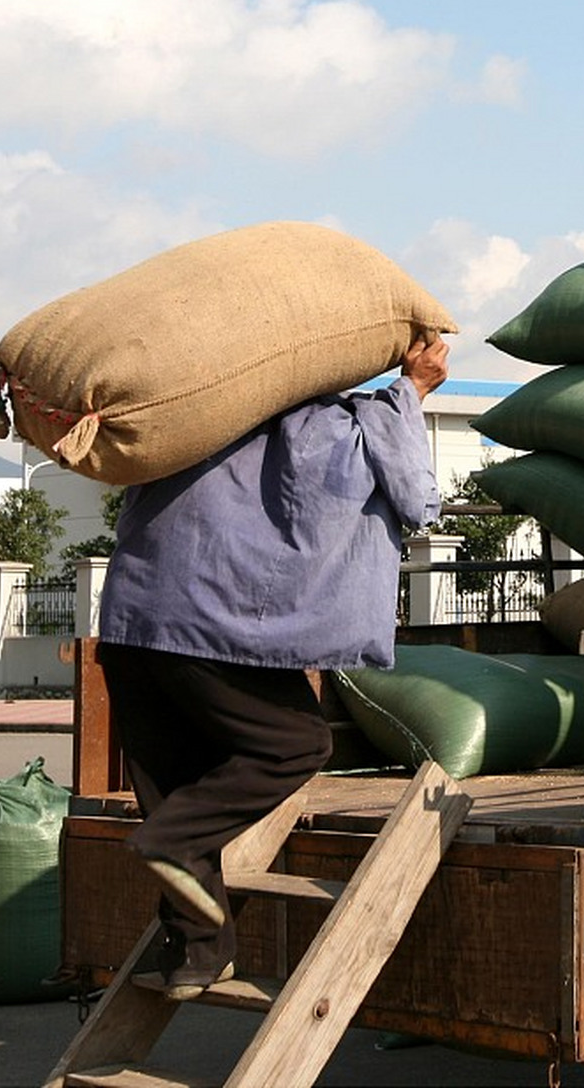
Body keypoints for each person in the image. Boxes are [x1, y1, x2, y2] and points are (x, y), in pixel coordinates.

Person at [96, 332, 449, 999]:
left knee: (175, 780)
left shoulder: (181, 416)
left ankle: (196, 956)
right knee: (296, 744)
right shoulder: (343, 425)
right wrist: (411, 391)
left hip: (132, 622)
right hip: (214, 626)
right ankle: (169, 839)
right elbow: (418, 502)